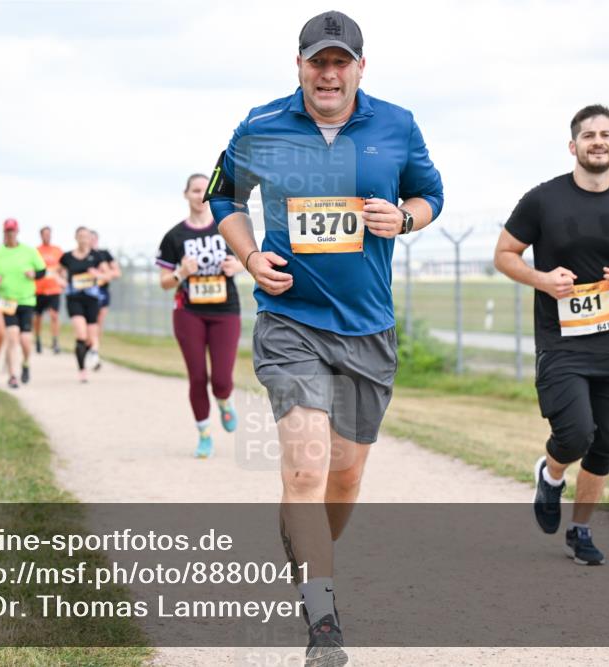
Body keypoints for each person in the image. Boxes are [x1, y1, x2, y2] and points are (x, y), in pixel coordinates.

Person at [207, 11, 443, 665]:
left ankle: (313, 558)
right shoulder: (261, 125)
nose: (329, 73)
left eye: (341, 62)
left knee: (343, 475)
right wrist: (252, 258)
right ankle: (323, 618)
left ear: (361, 67)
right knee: (306, 464)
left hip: (368, 327)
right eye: (319, 61)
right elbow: (226, 198)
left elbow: (431, 194)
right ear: (300, 65)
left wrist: (404, 217)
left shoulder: (397, 125)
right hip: (291, 322)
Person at [493, 104, 609, 566]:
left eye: (606, 134)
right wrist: (543, 279)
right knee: (575, 434)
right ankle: (550, 476)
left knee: (606, 441)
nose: (598, 141)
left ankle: (581, 529)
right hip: (561, 341)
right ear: (573, 146)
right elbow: (505, 254)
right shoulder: (543, 200)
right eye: (588, 135)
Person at [157, 175, 243, 458]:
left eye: (205, 190)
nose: (200, 195)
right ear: (186, 195)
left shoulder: (228, 229)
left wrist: (237, 266)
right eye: (195, 190)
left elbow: (249, 259)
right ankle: (204, 434)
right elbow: (164, 281)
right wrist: (181, 272)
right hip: (188, 312)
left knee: (221, 378)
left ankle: (224, 401)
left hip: (225, 311)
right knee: (197, 376)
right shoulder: (174, 236)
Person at [0, 218, 47, 389]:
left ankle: (26, 363)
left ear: (17, 232)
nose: (10, 234)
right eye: (7, 231)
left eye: (12, 231)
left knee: (25, 340)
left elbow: (42, 271)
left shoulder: (29, 251)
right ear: (4, 233)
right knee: (12, 337)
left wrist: (34, 274)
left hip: (26, 300)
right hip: (6, 301)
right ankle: (12, 376)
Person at [59, 227, 109, 383]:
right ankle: (82, 370)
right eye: (80, 236)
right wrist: (61, 282)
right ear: (75, 238)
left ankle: (88, 355)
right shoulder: (67, 257)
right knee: (81, 334)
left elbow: (108, 275)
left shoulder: (97, 256)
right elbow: (56, 272)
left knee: (90, 338)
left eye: (86, 236)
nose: (83, 239)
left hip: (92, 299)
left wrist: (98, 275)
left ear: (90, 239)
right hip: (74, 298)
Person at [90, 229, 121, 359]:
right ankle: (90, 346)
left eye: (92, 239)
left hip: (102, 291)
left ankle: (95, 350)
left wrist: (101, 275)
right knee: (89, 323)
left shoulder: (104, 254)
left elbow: (116, 273)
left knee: (99, 321)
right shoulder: (82, 256)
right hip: (86, 293)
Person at [34, 226, 64, 355]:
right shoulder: (36, 251)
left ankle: (55, 341)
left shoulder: (57, 250)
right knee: (37, 317)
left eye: (49, 234)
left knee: (54, 316)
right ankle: (38, 340)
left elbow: (63, 268)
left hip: (54, 289)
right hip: (39, 289)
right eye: (45, 234)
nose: (47, 236)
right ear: (41, 235)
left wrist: (62, 279)